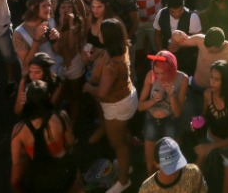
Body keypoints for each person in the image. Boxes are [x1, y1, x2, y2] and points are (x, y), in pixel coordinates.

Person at [83, 19, 135, 193]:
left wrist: (89, 88)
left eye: (101, 33)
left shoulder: (112, 66)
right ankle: (127, 163)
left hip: (116, 106)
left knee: (118, 145)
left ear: (108, 37)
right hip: (128, 98)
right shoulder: (122, 48)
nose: (98, 34)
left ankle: (124, 180)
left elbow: (102, 93)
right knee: (123, 131)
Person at [10, 80, 80, 193]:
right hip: (64, 173)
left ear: (28, 101)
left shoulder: (19, 130)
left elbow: (17, 161)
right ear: (48, 97)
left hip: (40, 179)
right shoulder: (61, 117)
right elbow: (71, 142)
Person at [194, 59, 228, 193]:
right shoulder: (207, 94)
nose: (211, 82)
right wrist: (196, 123)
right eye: (211, 77)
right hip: (210, 138)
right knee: (193, 175)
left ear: (226, 82)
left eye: (217, 80)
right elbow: (205, 117)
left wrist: (210, 147)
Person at [138, 49, 188, 175]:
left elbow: (177, 113)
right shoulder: (150, 76)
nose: (159, 77)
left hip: (170, 121)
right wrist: (153, 101)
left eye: (163, 73)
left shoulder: (182, 79)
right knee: (150, 165)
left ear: (171, 70)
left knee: (170, 164)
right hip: (151, 120)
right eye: (157, 73)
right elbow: (140, 106)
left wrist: (172, 95)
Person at [140, 137, 208, 193]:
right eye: (169, 165)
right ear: (157, 164)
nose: (174, 170)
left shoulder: (193, 172)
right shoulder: (147, 189)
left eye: (176, 163)